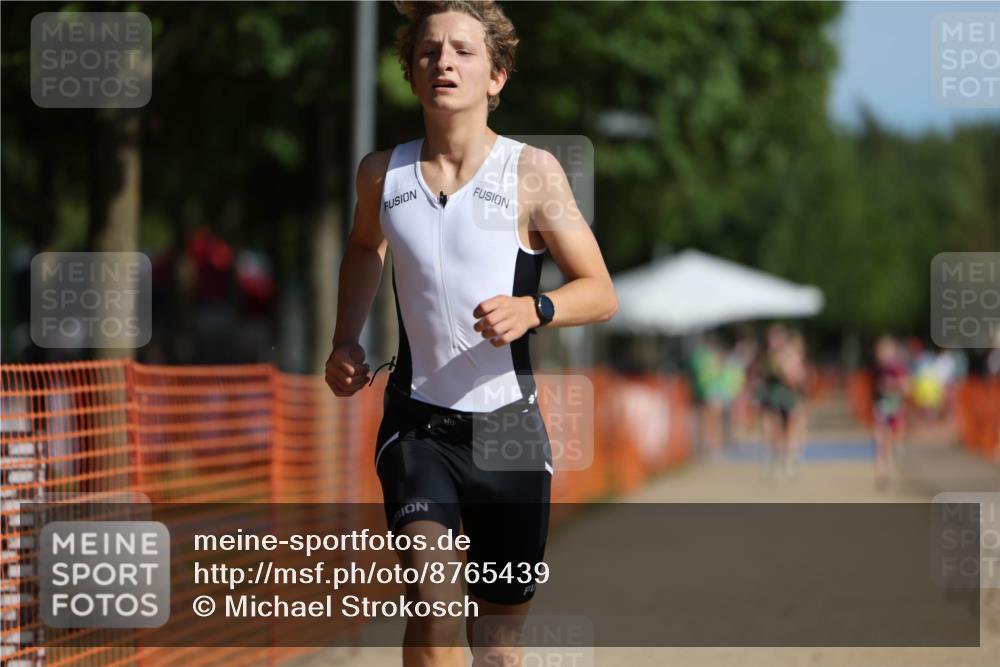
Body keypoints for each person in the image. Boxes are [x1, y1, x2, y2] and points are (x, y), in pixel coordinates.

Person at [324, 2, 618, 665]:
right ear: (411, 72)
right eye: (429, 51)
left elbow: (600, 291)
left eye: (462, 50)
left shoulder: (531, 172)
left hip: (509, 432)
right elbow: (364, 249)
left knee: (498, 641)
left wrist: (534, 309)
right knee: (432, 603)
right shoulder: (382, 174)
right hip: (418, 425)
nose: (444, 62)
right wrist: (346, 339)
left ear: (497, 76)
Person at [871, 335, 910, 490]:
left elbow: (907, 387)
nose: (882, 355)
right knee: (880, 441)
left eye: (885, 351)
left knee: (893, 442)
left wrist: (893, 384)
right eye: (880, 352)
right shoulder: (877, 369)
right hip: (881, 408)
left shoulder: (897, 368)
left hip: (895, 408)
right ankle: (882, 473)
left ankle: (890, 467)